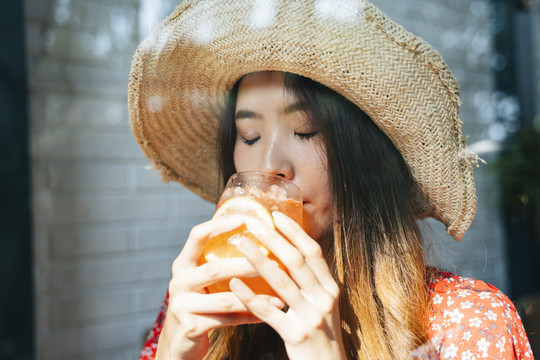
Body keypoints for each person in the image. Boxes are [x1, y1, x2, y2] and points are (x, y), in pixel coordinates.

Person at [128, 0, 533, 359]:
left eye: (305, 130)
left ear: (363, 156)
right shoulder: (202, 301)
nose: (269, 165)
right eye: (249, 136)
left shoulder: (466, 324)